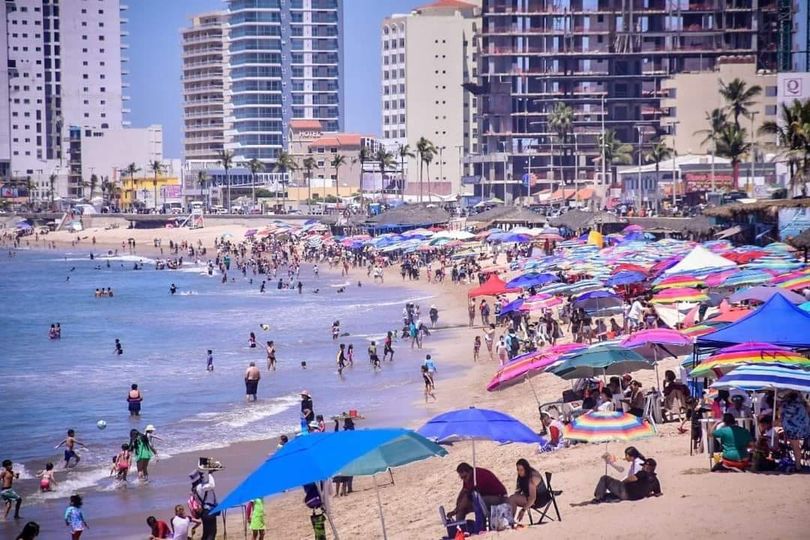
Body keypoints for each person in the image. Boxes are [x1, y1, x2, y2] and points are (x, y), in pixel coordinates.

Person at [592, 458, 661, 503]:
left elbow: (632, 478)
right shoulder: (655, 481)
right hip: (634, 497)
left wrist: (622, 483)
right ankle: (613, 497)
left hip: (625, 491)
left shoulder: (643, 473)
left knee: (605, 478)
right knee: (608, 495)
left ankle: (598, 498)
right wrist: (646, 492)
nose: (642, 467)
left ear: (647, 467)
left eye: (644, 466)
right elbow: (658, 493)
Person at [508, 459, 551, 523]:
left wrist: (523, 510)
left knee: (512, 499)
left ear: (526, 469)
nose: (519, 472)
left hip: (539, 500)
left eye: (521, 470)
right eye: (518, 469)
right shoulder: (524, 474)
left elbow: (533, 498)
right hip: (532, 496)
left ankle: (509, 522)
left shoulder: (532, 478)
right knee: (511, 498)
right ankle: (508, 520)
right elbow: (519, 490)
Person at [778, 392, 810, 472]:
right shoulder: (803, 404)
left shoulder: (788, 404)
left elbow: (786, 415)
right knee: (801, 447)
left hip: (792, 429)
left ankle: (798, 466)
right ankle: (798, 465)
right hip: (804, 428)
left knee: (796, 448)